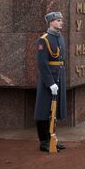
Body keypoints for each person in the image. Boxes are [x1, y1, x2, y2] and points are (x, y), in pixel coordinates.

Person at [34, 11, 67, 152]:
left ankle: (52, 138)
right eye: (58, 20)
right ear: (51, 22)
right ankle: (44, 142)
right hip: (49, 80)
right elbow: (42, 63)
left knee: (54, 110)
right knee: (43, 110)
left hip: (59, 77)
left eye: (61, 20)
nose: (61, 22)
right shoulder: (44, 40)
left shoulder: (61, 38)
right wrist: (50, 83)